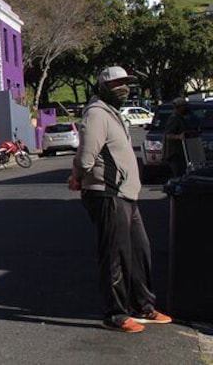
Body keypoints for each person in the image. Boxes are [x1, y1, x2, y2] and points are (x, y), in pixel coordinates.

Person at [67, 66, 172, 333]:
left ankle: (143, 306)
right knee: (115, 254)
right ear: (103, 87)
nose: (123, 89)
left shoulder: (114, 114)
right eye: (117, 84)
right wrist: (78, 175)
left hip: (126, 194)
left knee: (139, 250)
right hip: (107, 193)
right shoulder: (96, 114)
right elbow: (86, 155)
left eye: (126, 84)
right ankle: (115, 313)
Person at [163, 96, 190, 179]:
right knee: (178, 175)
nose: (186, 108)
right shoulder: (174, 119)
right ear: (179, 107)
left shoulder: (181, 118)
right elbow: (168, 135)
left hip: (182, 153)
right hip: (174, 154)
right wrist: (179, 136)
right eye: (184, 106)